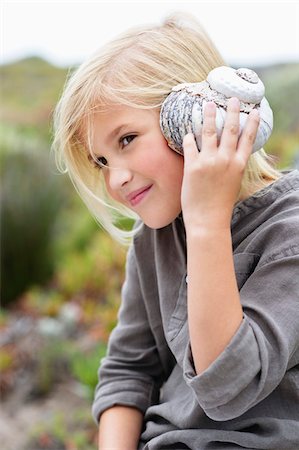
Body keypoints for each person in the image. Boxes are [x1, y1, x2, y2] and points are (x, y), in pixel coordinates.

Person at [53, 12, 299, 450]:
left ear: (192, 117)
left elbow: (228, 388)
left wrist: (207, 222)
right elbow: (128, 369)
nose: (116, 179)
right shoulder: (155, 238)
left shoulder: (289, 232)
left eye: (126, 139)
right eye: (102, 161)